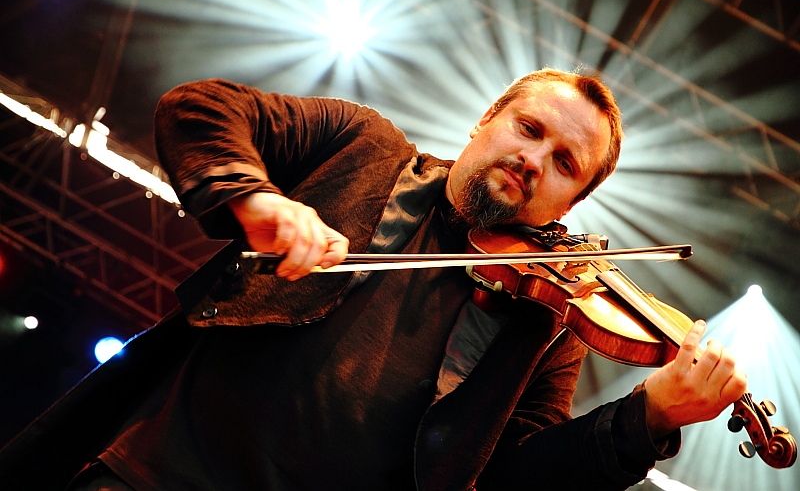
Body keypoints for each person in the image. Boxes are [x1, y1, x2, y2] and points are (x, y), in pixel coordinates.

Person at [0, 68, 746, 490]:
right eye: (530, 130)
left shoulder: (546, 320)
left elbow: (520, 485)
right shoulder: (363, 146)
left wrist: (645, 416)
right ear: (486, 120)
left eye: (565, 163)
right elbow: (201, 107)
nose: (535, 158)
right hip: (153, 479)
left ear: (571, 203)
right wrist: (255, 199)